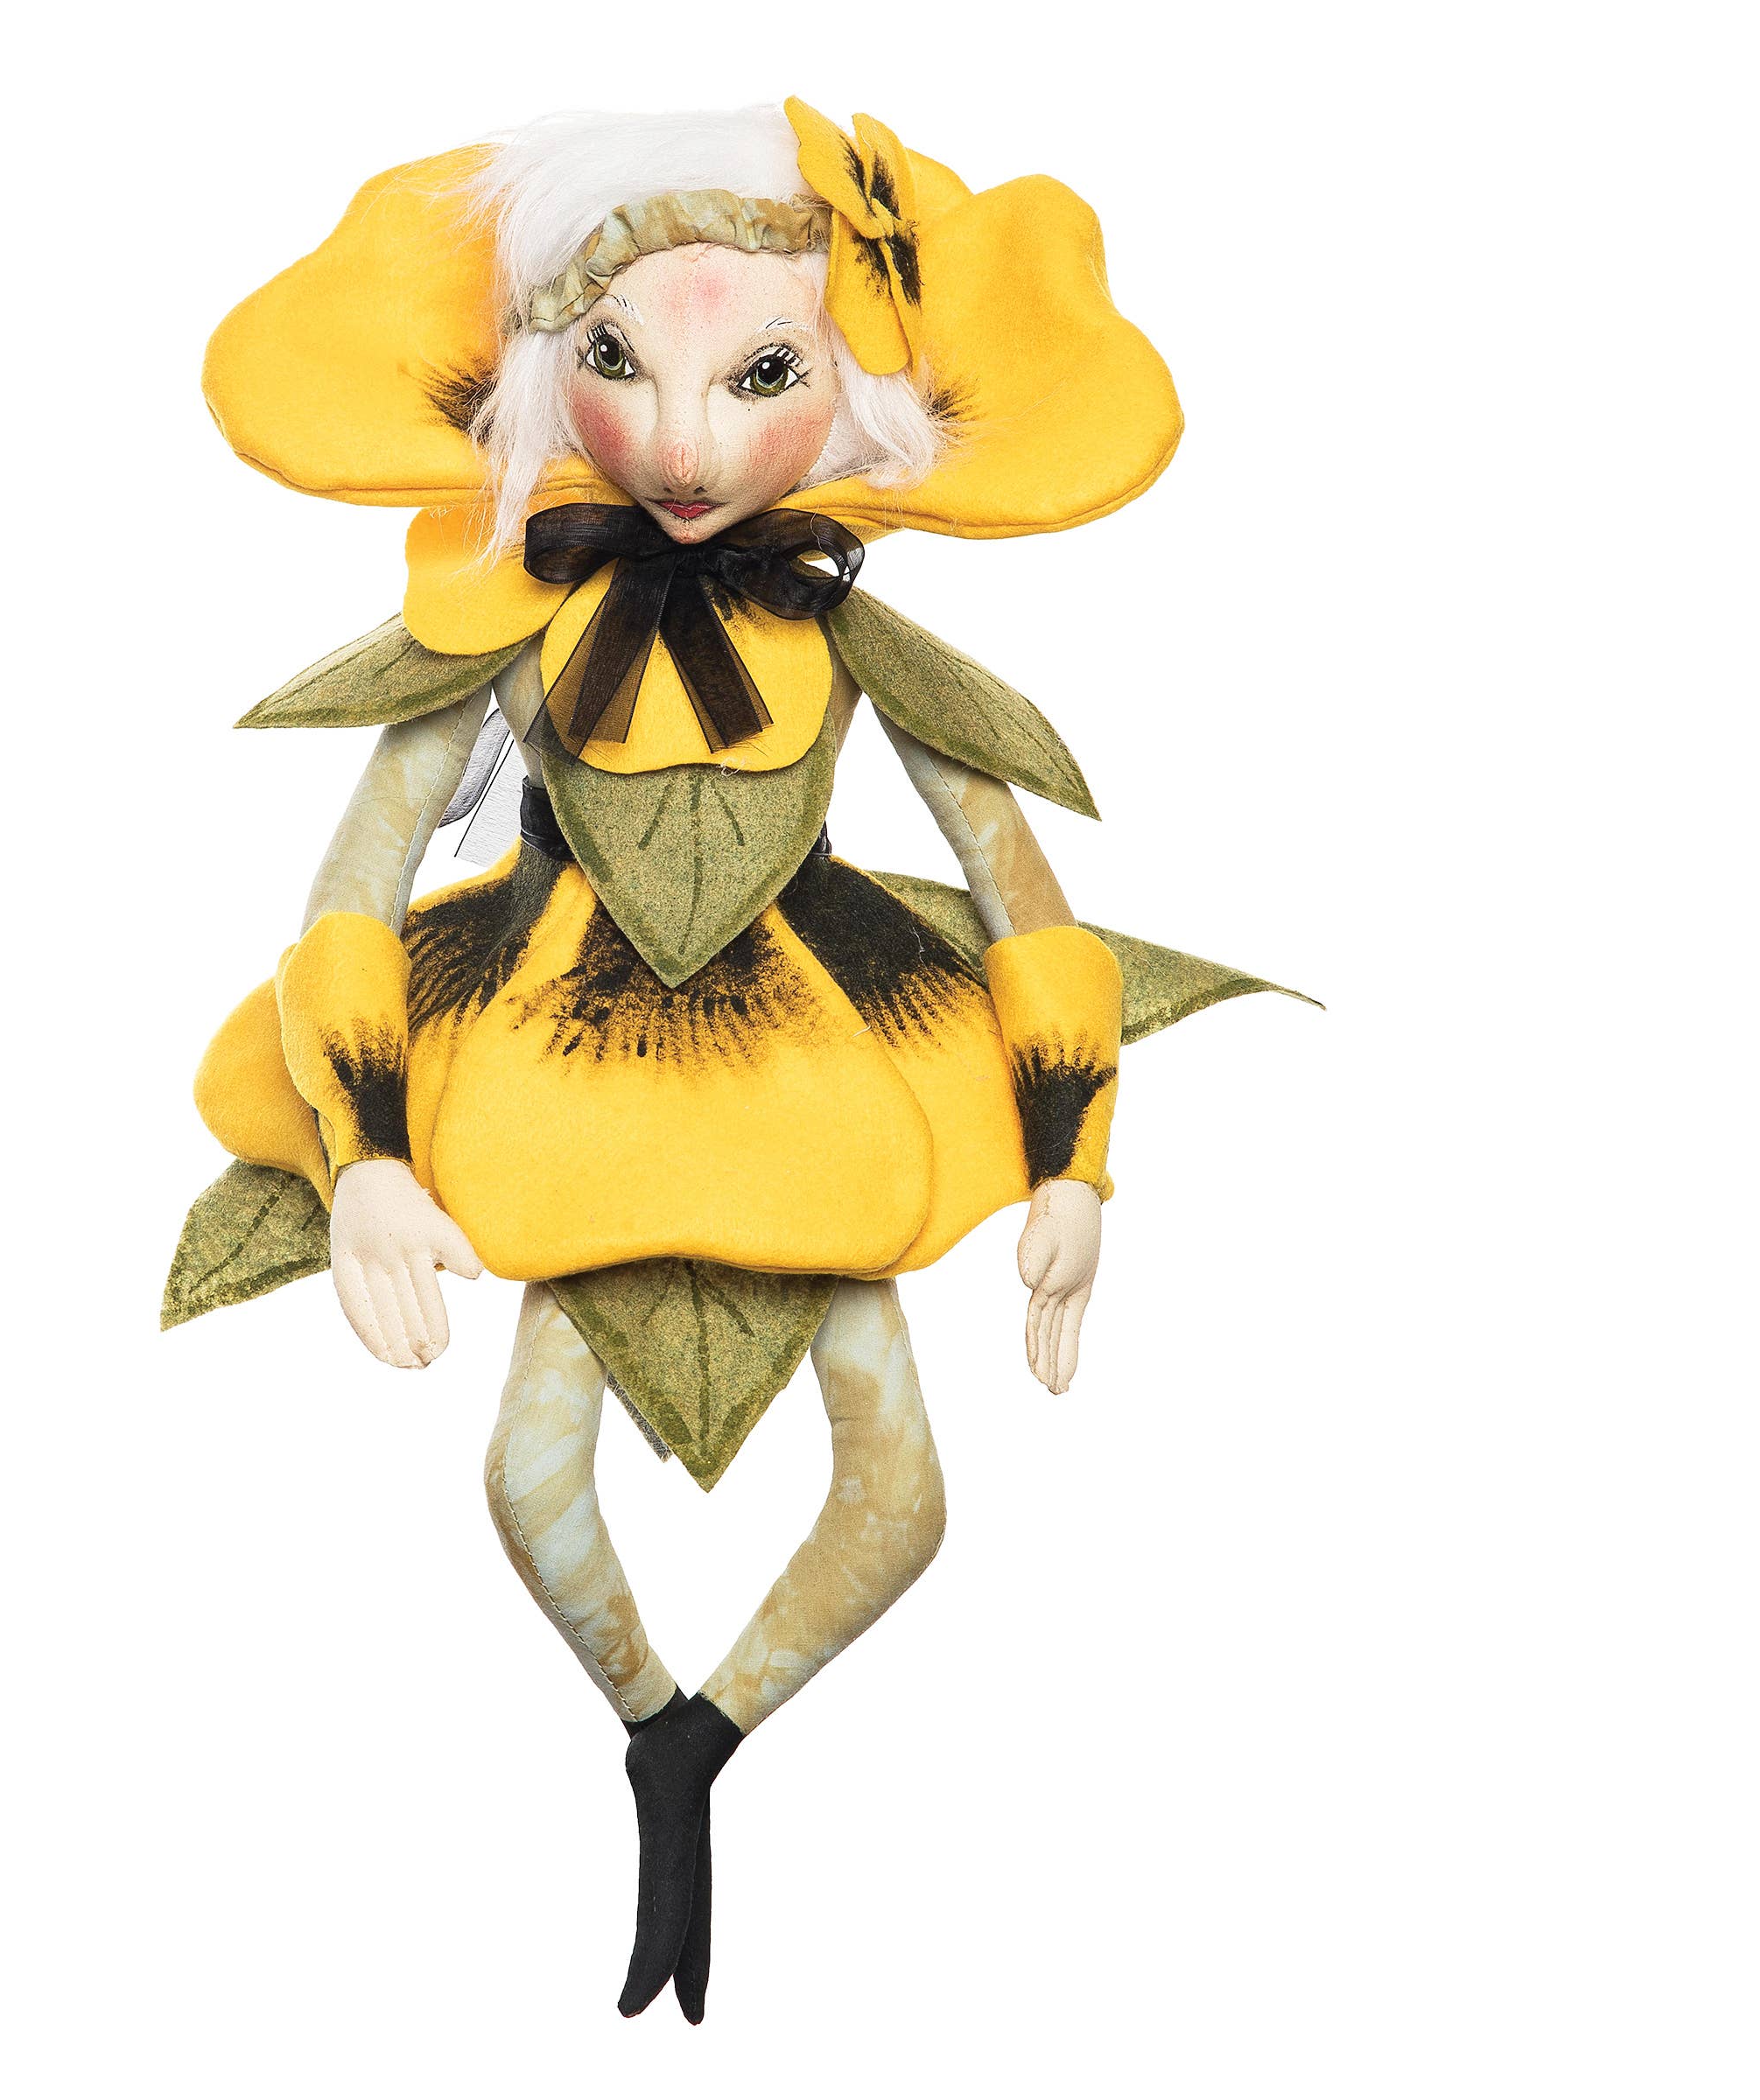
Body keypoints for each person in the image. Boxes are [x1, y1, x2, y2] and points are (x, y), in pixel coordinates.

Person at [172, 99, 1300, 2020]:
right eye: (621, 364)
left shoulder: (851, 638)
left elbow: (1022, 897)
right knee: (531, 1485)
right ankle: (646, 1725)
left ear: (850, 389)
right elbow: (355, 886)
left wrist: (1075, 1161)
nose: (685, 446)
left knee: (903, 1505)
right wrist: (363, 1158)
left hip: (814, 1067)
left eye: (760, 375)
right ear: (547, 368)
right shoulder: (505, 623)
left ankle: (703, 1741)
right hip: (561, 1067)